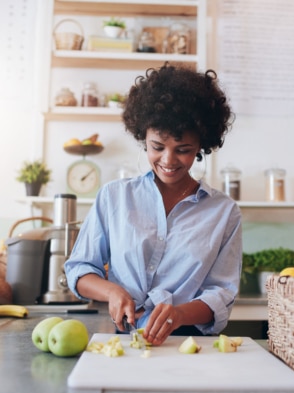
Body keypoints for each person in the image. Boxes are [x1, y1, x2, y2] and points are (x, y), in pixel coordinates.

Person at [65, 63, 242, 346]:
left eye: (183, 150)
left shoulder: (223, 212)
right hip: (125, 342)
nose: (168, 160)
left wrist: (180, 314)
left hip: (190, 344)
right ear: (143, 137)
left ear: (201, 146)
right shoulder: (114, 197)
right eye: (157, 146)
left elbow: (221, 292)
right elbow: (80, 268)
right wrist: (112, 292)